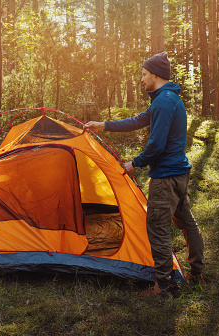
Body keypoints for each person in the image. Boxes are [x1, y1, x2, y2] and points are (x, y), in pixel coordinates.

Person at [84, 52, 204, 295]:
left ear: (155, 75)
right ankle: (197, 271)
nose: (141, 79)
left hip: (165, 178)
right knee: (187, 223)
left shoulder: (162, 101)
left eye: (144, 74)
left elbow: (157, 144)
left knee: (157, 227)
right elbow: (138, 120)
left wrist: (135, 163)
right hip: (180, 174)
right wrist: (103, 125)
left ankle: (165, 284)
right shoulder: (170, 99)